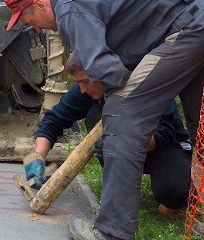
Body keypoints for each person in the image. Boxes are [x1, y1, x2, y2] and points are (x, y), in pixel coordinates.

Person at [5, 0, 204, 240]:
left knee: (121, 112)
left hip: (187, 25)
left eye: (30, 21)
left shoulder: (69, 9)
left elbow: (105, 71)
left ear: (40, 4)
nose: (37, 29)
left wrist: (122, 105)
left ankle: (113, 232)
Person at [25, 54, 192, 216]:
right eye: (78, 83)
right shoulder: (89, 86)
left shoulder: (145, 80)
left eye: (84, 82)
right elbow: (55, 118)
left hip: (160, 148)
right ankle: (118, 183)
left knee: (174, 193)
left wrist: (123, 142)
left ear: (102, 74)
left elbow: (166, 132)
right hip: (123, 146)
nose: (82, 90)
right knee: (96, 115)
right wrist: (38, 156)